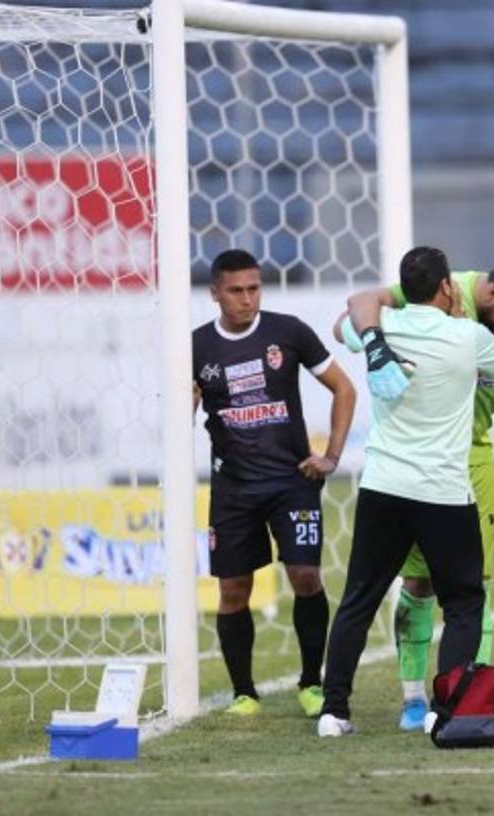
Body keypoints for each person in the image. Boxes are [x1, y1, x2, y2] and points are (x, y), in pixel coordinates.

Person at [340, 263, 494, 730]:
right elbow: (358, 307)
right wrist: (376, 343)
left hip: (471, 457)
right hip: (413, 464)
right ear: (490, 292)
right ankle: (413, 699)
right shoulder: (443, 289)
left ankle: (468, 699)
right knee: (417, 585)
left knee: (475, 588)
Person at [192, 249, 357, 717]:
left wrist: (331, 456)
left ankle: (311, 682)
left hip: (292, 481)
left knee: (305, 576)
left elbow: (344, 388)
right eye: (236, 291)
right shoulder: (198, 348)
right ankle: (243, 693)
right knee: (233, 591)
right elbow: (182, 409)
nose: (247, 300)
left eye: (254, 289)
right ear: (216, 294)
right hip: (233, 489)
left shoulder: (289, 332)